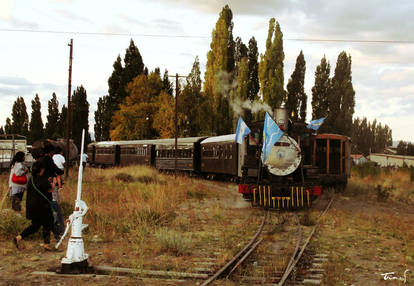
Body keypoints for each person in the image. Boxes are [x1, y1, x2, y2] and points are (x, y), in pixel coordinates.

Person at [13, 159, 54, 251]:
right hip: (42, 207)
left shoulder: (31, 179)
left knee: (35, 226)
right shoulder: (43, 180)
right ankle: (46, 245)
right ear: (41, 170)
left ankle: (18, 238)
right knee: (47, 224)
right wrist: (53, 183)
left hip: (32, 206)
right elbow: (50, 189)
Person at [51, 146, 65, 238]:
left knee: (55, 178)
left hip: (54, 170)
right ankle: (60, 186)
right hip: (59, 170)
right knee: (59, 177)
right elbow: (64, 164)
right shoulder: (61, 156)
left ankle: (56, 185)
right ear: (60, 151)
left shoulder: (52, 157)